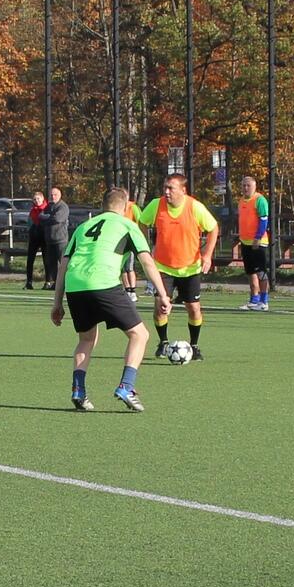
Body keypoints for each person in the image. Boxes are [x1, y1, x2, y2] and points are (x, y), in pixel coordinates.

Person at [51, 186, 171, 412]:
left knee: (86, 339)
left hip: (75, 285)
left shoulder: (84, 226)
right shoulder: (127, 225)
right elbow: (146, 261)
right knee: (140, 334)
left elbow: (63, 266)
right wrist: (163, 294)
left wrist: (57, 303)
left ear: (103, 206)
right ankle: (127, 387)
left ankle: (78, 390)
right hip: (103, 282)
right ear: (125, 206)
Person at [134, 173, 219, 354]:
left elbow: (213, 228)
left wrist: (207, 255)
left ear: (183, 190)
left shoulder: (195, 207)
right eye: (165, 188)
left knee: (193, 308)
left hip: (190, 268)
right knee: (160, 307)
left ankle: (194, 346)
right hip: (163, 267)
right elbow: (142, 222)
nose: (166, 192)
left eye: (171, 188)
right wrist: (145, 246)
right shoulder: (156, 205)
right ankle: (163, 342)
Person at [235, 175, 273, 310]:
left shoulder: (260, 200)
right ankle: (254, 300)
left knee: (261, 272)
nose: (245, 188)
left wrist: (257, 237)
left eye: (248, 185)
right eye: (243, 185)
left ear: (254, 186)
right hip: (245, 242)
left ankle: (264, 301)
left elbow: (263, 220)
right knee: (250, 272)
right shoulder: (241, 201)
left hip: (258, 243)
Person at [26, 187, 68, 290]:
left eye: (55, 194)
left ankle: (66, 283)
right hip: (49, 239)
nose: (53, 197)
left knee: (63, 263)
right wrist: (49, 218)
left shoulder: (63, 206)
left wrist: (47, 218)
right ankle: (56, 283)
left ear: (60, 195)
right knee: (51, 264)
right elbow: (40, 216)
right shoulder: (49, 206)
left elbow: (57, 219)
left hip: (60, 239)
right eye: (51, 195)